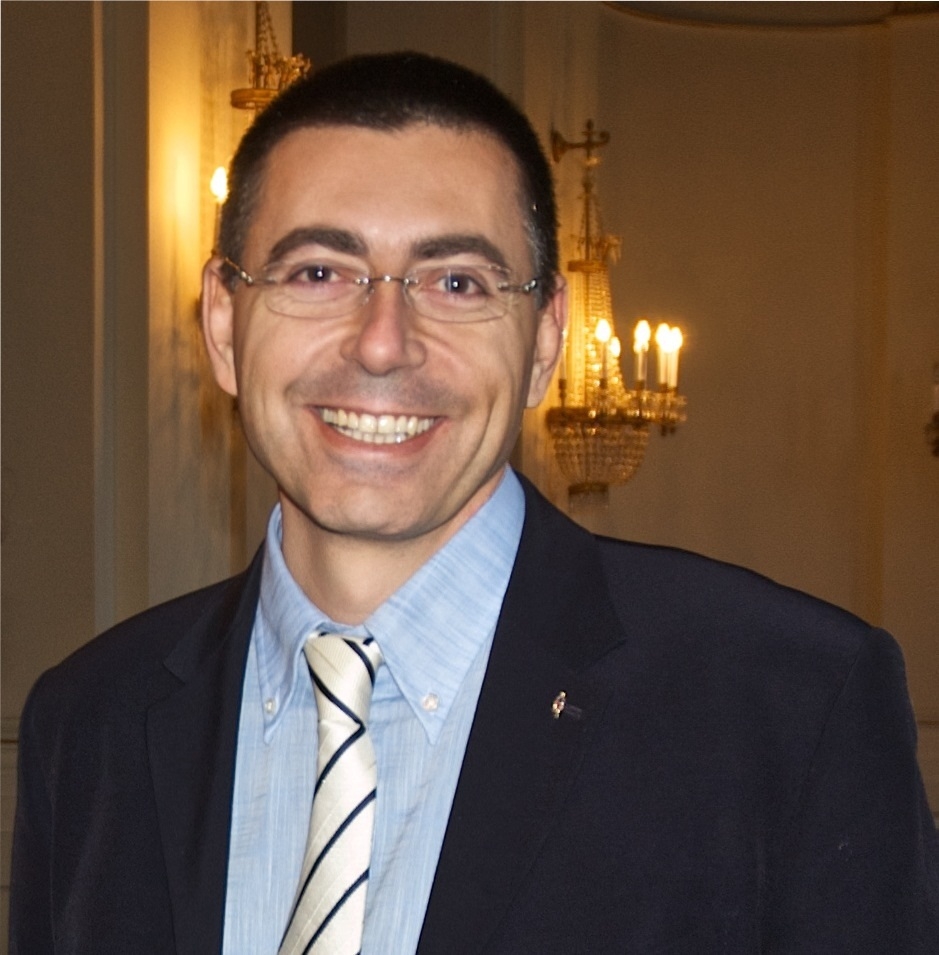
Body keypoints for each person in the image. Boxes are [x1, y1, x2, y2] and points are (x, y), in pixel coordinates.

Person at [10, 51, 939, 955]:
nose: (382, 343)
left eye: (456, 282)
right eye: (317, 272)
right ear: (223, 321)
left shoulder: (787, 704)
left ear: (543, 340)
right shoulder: (90, 720)